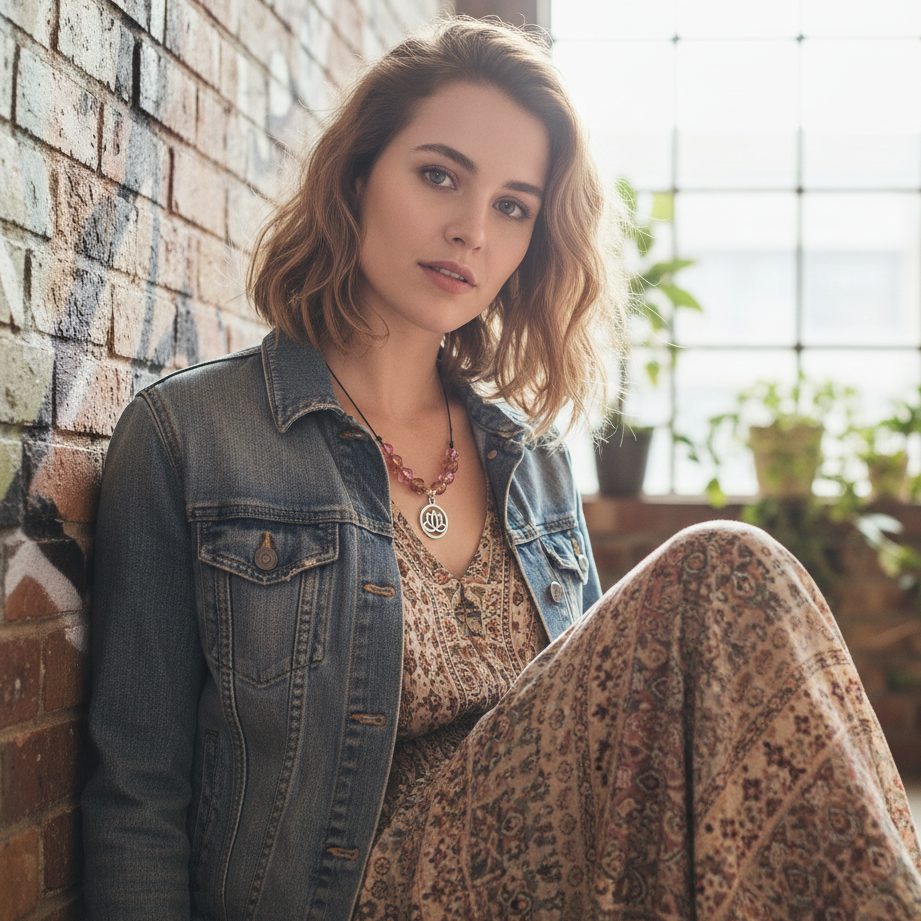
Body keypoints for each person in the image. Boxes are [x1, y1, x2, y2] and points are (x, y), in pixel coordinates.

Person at [82, 15, 921, 921]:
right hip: (349, 894)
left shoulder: (530, 461)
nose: (470, 230)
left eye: (513, 205)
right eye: (438, 175)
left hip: (557, 885)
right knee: (726, 563)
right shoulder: (191, 435)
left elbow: (610, 732)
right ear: (358, 175)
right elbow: (138, 787)